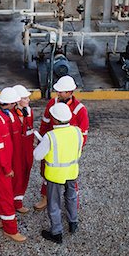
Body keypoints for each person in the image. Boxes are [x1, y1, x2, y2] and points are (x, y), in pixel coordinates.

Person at [34, 75, 89, 211]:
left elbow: (83, 135)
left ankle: (72, 206)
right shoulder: (52, 104)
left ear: (70, 92)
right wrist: (41, 142)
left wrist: (76, 150)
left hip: (68, 151)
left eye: (61, 92)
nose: (58, 93)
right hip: (52, 146)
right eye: (58, 91)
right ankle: (45, 198)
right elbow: (45, 124)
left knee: (70, 179)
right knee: (46, 173)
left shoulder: (80, 110)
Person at [33, 103, 83, 244]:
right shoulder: (77, 131)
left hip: (55, 175)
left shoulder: (50, 136)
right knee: (71, 197)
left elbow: (37, 156)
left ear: (54, 119)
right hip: (72, 172)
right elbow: (78, 151)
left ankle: (56, 232)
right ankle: (73, 223)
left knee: (54, 203)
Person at [0, 87, 27, 243]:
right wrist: (7, 169)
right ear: (9, 103)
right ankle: (11, 229)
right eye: (15, 103)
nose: (17, 104)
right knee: (5, 196)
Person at [11, 85, 34, 214]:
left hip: (27, 148)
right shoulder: (11, 114)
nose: (28, 100)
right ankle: (12, 201)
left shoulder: (29, 111)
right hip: (16, 149)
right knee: (16, 175)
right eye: (25, 98)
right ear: (18, 100)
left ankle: (19, 201)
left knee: (25, 173)